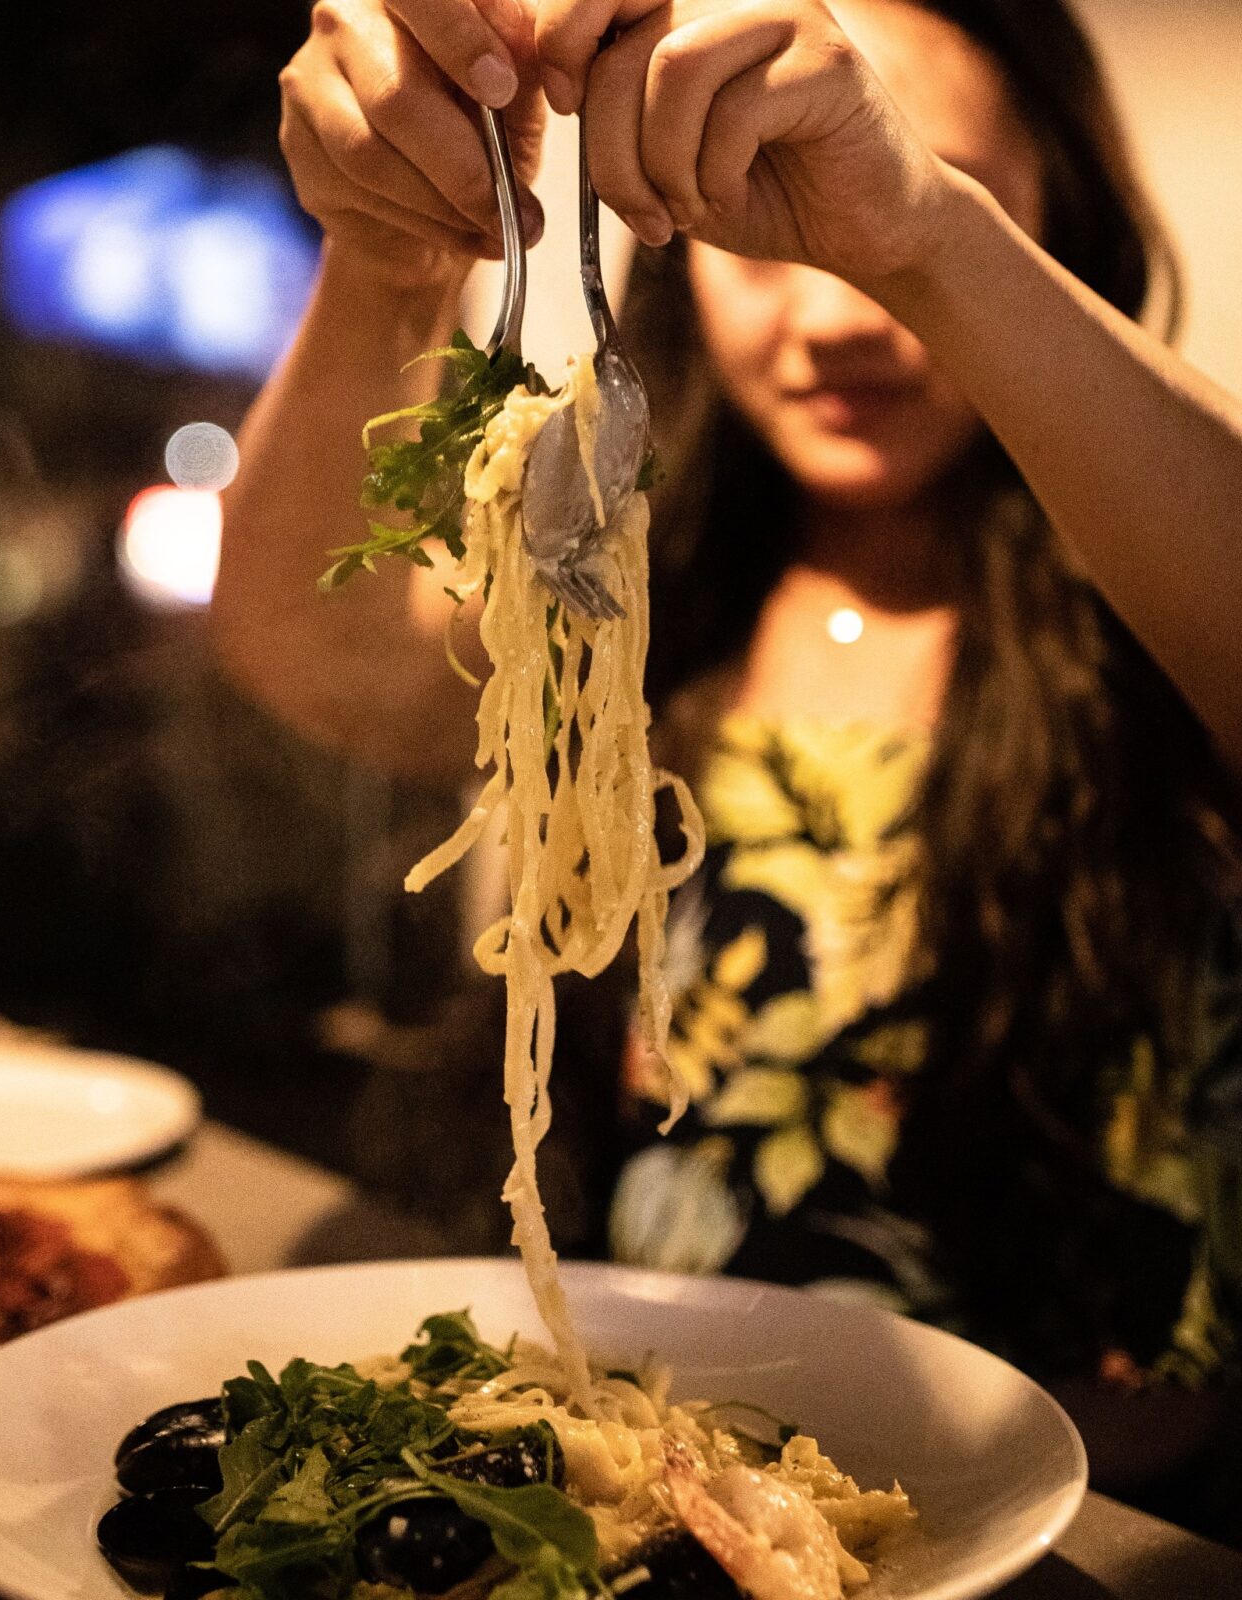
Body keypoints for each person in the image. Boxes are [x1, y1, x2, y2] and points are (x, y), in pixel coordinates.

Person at [209, 0, 1242, 1530]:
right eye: (766, 229)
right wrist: (388, 255)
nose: (834, 315)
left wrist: (921, 238)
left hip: (1122, 1523)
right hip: (700, 1495)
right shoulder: (648, 583)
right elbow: (324, 663)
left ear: (1045, 220)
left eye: (917, 195)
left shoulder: (1145, 569)